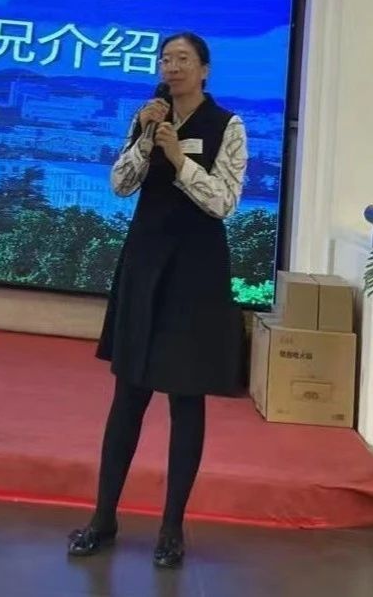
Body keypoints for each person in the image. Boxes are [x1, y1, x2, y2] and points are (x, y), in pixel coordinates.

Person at [67, 32, 248, 569]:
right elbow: (120, 185)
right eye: (166, 59)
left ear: (204, 69)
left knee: (185, 400)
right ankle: (103, 518)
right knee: (128, 395)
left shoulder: (228, 125)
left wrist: (180, 159)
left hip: (196, 273)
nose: (172, 67)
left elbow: (225, 202)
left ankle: (171, 529)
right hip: (145, 265)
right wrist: (147, 140)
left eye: (183, 59)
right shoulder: (147, 117)